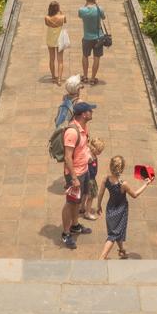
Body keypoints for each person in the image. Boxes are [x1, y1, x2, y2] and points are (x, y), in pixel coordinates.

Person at [96, 155, 151, 259]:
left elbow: (101, 194)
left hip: (110, 209)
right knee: (113, 235)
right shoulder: (123, 184)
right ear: (121, 169)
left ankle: (121, 250)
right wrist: (145, 184)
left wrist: (98, 206)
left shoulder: (106, 179)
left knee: (117, 230)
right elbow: (134, 195)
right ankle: (101, 258)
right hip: (121, 211)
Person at [60, 101, 96, 250]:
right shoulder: (72, 132)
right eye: (90, 110)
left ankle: (75, 225)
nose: (92, 113)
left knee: (77, 201)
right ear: (84, 114)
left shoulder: (83, 127)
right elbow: (68, 157)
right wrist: (74, 178)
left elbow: (83, 147)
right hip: (75, 174)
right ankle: (65, 233)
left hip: (84, 170)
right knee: (70, 203)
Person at [78, 0, 106, 84]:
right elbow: (104, 17)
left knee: (85, 56)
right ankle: (93, 78)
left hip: (87, 37)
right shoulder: (99, 9)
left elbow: (80, 16)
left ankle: (85, 76)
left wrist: (86, 4)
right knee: (96, 57)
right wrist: (97, 5)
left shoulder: (82, 10)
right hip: (98, 37)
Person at [81, 137, 105, 221]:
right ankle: (87, 213)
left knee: (85, 193)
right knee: (90, 196)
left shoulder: (89, 152)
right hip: (90, 179)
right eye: (99, 151)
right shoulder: (90, 157)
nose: (100, 153)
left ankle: (82, 207)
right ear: (94, 149)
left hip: (87, 178)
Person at [44, 1, 68, 84]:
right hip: (59, 40)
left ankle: (53, 76)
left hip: (50, 39)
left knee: (51, 59)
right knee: (60, 60)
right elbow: (65, 21)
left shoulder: (46, 18)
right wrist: (61, 12)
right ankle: (59, 79)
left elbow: (47, 24)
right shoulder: (62, 17)